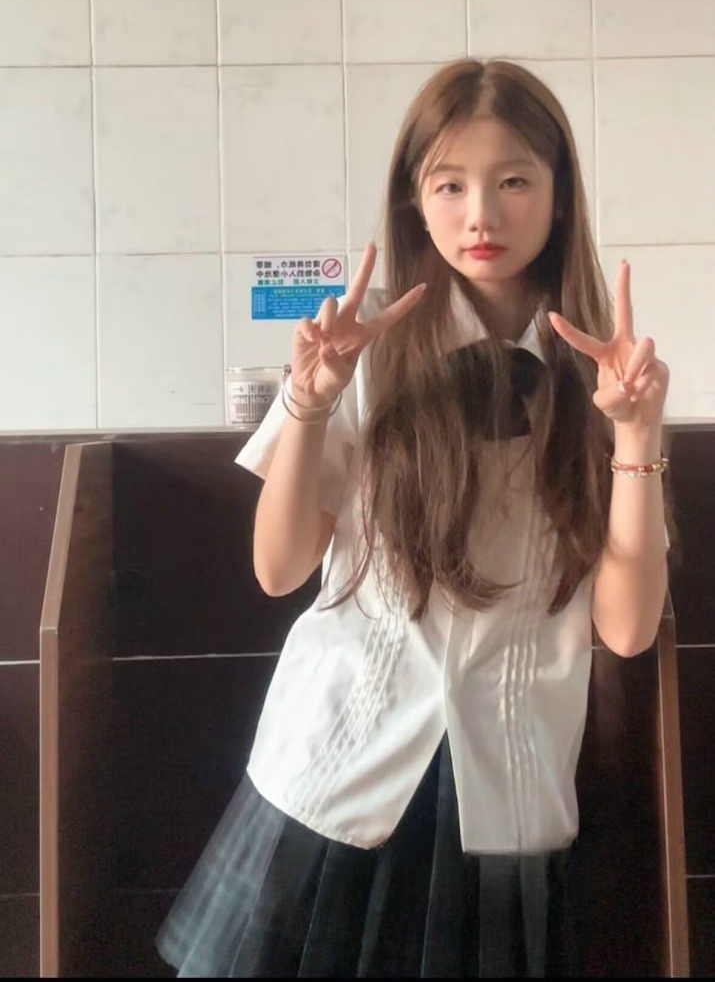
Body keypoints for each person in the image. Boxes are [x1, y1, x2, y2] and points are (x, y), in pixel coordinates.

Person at [156, 58, 672, 978]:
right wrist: (311, 401)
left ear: (559, 196)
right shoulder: (359, 347)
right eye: (450, 185)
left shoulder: (607, 377)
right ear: (413, 200)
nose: (481, 215)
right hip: (332, 770)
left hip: (506, 797)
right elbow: (278, 570)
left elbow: (627, 631)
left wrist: (633, 433)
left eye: (513, 182)